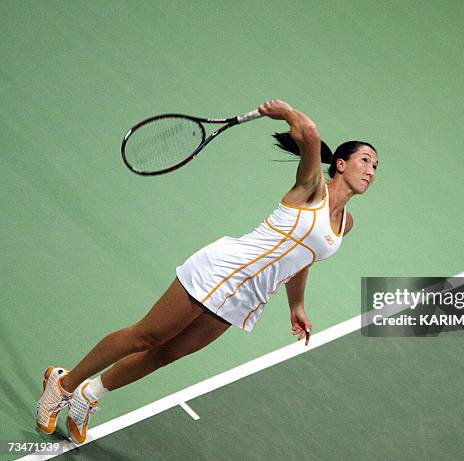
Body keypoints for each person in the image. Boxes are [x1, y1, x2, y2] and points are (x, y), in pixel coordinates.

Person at [35, 99, 378, 444]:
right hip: (221, 270)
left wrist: (296, 306)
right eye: (365, 161)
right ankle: (62, 384)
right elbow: (311, 134)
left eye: (375, 166)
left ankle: (88, 396)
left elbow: (301, 261)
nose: (371, 171)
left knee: (166, 354)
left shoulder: (345, 224)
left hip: (248, 298)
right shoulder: (312, 187)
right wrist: (286, 112)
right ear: (340, 163)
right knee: (146, 336)